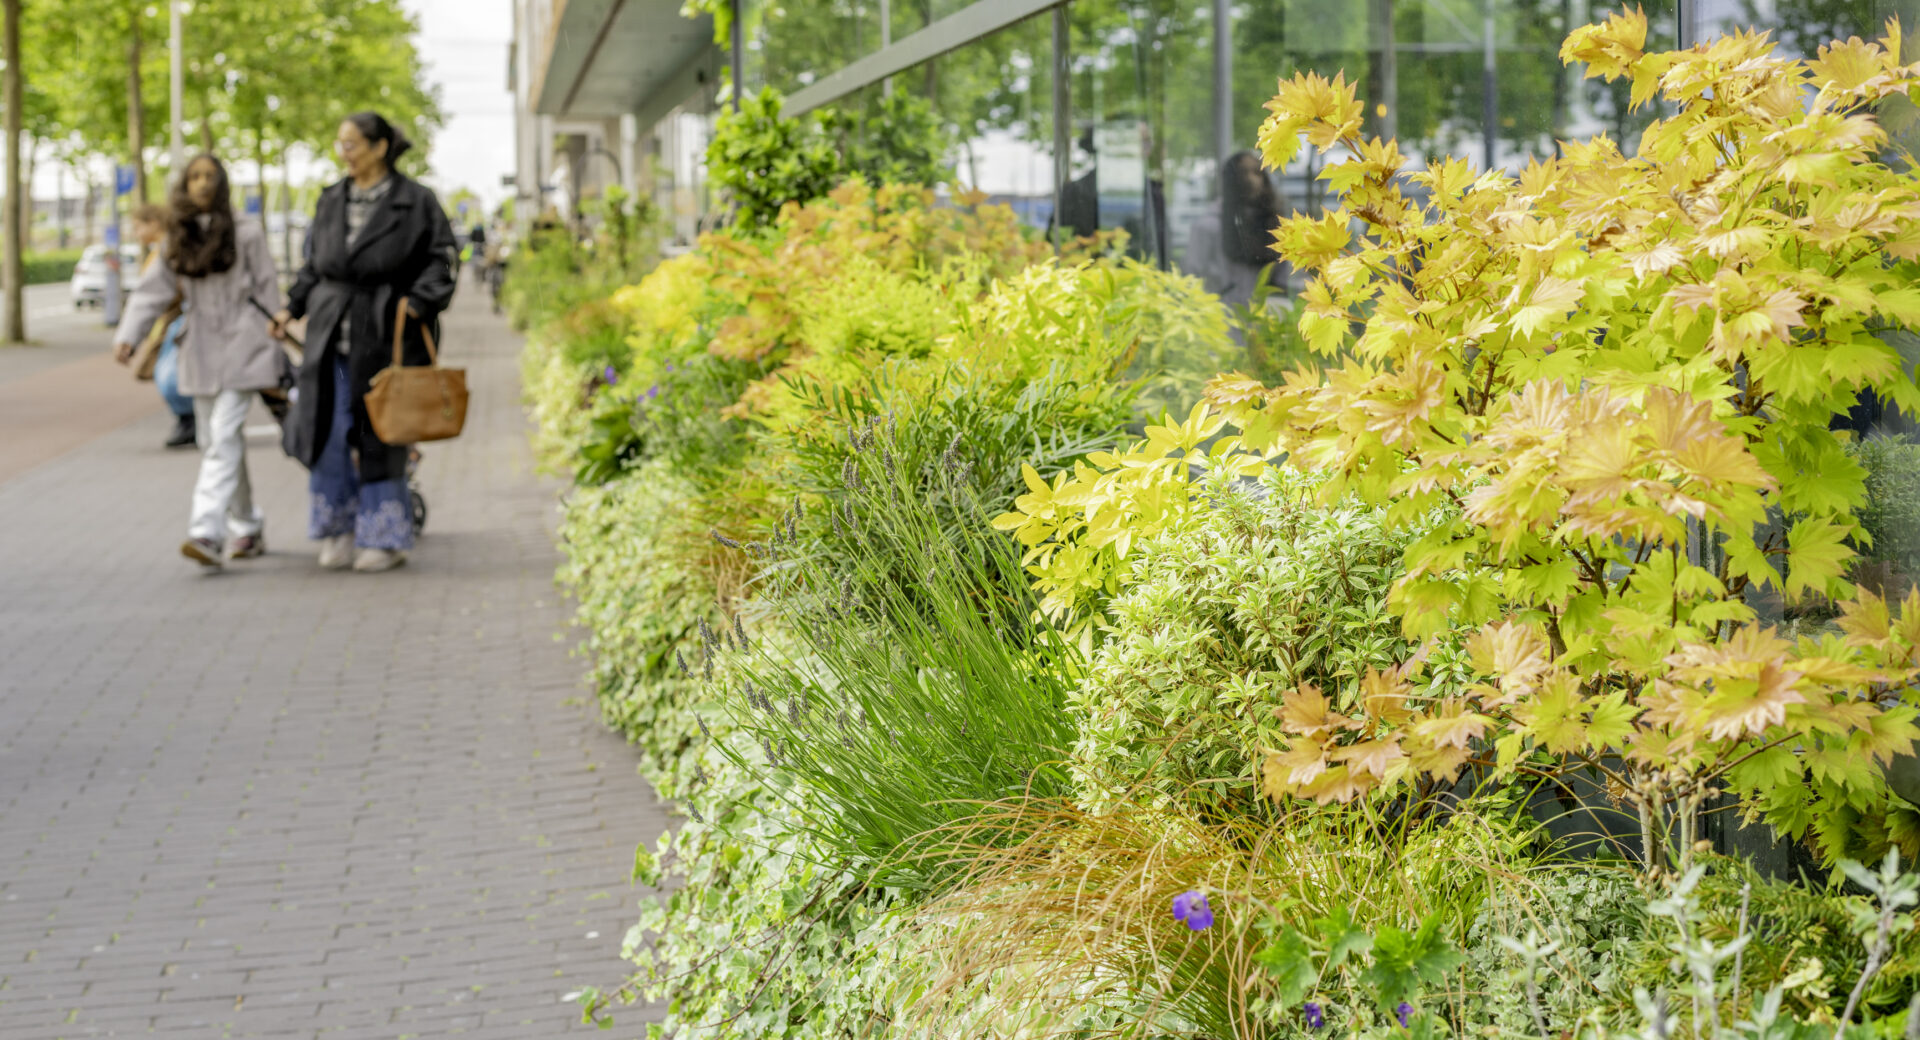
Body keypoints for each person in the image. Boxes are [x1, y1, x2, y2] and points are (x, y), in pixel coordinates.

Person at [273, 111, 456, 574]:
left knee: (381, 434)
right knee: (327, 432)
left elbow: (441, 260)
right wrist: (291, 308)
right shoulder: (331, 198)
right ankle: (337, 528)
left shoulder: (416, 201)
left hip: (387, 338)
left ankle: (385, 535)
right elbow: (313, 265)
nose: (344, 154)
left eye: (352, 144)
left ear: (379, 147)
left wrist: (418, 301)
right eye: (340, 145)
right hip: (331, 336)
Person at [112, 154, 284, 569]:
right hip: (201, 347)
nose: (203, 183)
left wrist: (277, 331)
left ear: (222, 182)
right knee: (216, 442)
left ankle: (206, 530)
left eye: (210, 176)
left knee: (223, 436)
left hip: (246, 342)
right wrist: (128, 335)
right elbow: (153, 291)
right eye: (195, 176)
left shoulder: (247, 231)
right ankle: (247, 524)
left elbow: (268, 287)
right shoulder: (177, 235)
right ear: (184, 185)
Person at [128, 203, 196, 448]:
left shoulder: (168, 251)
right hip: (169, 321)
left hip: (181, 320)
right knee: (166, 373)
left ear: (154, 223)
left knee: (169, 375)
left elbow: (156, 292)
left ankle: (190, 420)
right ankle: (187, 420)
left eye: (138, 227)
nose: (136, 233)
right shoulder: (158, 251)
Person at [1181, 150, 1287, 307]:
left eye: (1256, 172)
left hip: (1264, 320)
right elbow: (1191, 276)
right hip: (1219, 318)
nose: (1250, 180)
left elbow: (1285, 280)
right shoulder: (1209, 227)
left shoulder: (1277, 227)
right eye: (1243, 173)